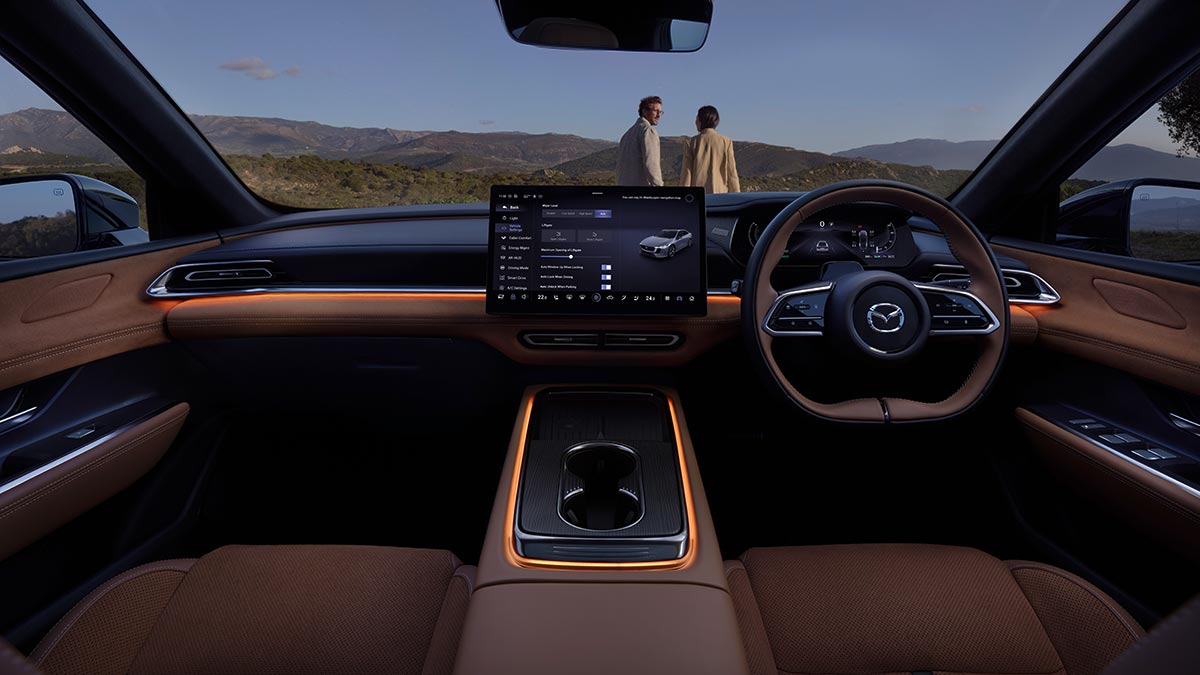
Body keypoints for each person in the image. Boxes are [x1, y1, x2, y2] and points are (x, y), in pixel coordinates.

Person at [681, 105, 740, 194]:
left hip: (698, 196)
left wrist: (683, 196)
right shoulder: (726, 142)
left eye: (697, 118)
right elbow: (732, 174)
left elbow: (686, 174)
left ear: (700, 120)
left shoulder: (691, 143)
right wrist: (736, 196)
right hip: (720, 195)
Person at [616, 96, 664, 186]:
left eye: (660, 112)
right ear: (644, 111)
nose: (658, 115)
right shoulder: (648, 131)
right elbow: (651, 164)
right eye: (655, 111)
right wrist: (658, 185)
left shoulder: (626, 135)